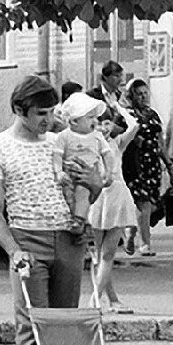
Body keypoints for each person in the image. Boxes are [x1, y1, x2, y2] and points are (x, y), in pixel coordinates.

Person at [0, 75, 104, 345]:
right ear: (20, 111)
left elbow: (90, 189)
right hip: (27, 239)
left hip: (68, 238)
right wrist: (13, 250)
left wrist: (94, 184)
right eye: (41, 114)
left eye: (52, 112)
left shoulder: (60, 142)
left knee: (63, 325)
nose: (49, 120)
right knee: (31, 328)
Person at [88, 104, 139, 313]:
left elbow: (134, 125)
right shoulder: (87, 144)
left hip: (117, 198)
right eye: (98, 123)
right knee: (99, 255)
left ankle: (95, 300)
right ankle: (112, 300)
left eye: (107, 122)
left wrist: (118, 106)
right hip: (97, 198)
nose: (103, 127)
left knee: (107, 254)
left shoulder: (117, 143)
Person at [121, 78, 172, 257]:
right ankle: (145, 244)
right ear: (131, 96)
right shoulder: (126, 115)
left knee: (151, 204)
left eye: (145, 93)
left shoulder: (152, 114)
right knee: (143, 202)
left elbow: (160, 141)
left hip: (152, 164)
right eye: (139, 94)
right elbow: (118, 135)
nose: (143, 97)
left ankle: (131, 230)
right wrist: (133, 138)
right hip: (135, 164)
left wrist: (168, 163)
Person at [53, 92, 114, 239]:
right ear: (74, 121)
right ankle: (82, 223)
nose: (95, 121)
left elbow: (107, 154)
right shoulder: (64, 136)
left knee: (83, 192)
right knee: (68, 196)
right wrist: (58, 171)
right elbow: (57, 155)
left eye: (95, 117)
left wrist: (108, 172)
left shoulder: (97, 137)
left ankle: (79, 220)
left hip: (87, 175)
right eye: (90, 117)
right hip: (69, 174)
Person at [87, 60, 126, 134]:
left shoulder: (121, 96)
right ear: (105, 76)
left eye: (121, 76)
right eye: (116, 76)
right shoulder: (91, 96)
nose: (120, 80)